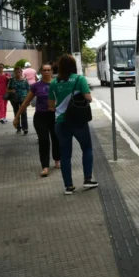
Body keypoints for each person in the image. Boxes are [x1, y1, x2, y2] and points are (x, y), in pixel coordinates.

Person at [48, 54, 98, 195]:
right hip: (78, 121)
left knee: (65, 155)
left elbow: (51, 105)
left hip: (61, 122)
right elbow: (88, 97)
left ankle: (68, 187)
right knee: (87, 148)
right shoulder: (79, 79)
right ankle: (87, 179)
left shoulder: (54, 82)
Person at [15, 63, 61, 177]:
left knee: (56, 139)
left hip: (55, 116)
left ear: (52, 72)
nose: (46, 72)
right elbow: (26, 102)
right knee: (44, 141)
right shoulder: (36, 86)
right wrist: (17, 117)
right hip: (40, 117)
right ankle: (45, 166)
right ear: (40, 72)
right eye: (44, 70)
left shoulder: (58, 84)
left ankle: (57, 160)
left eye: (48, 70)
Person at [8, 67, 30, 135]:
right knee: (16, 112)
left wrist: (28, 100)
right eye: (16, 72)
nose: (18, 73)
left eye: (19, 72)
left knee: (24, 113)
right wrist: (12, 90)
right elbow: (7, 90)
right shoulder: (12, 80)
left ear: (21, 72)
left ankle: (25, 128)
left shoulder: (25, 80)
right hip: (14, 99)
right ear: (14, 72)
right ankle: (18, 127)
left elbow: (29, 90)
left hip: (23, 99)